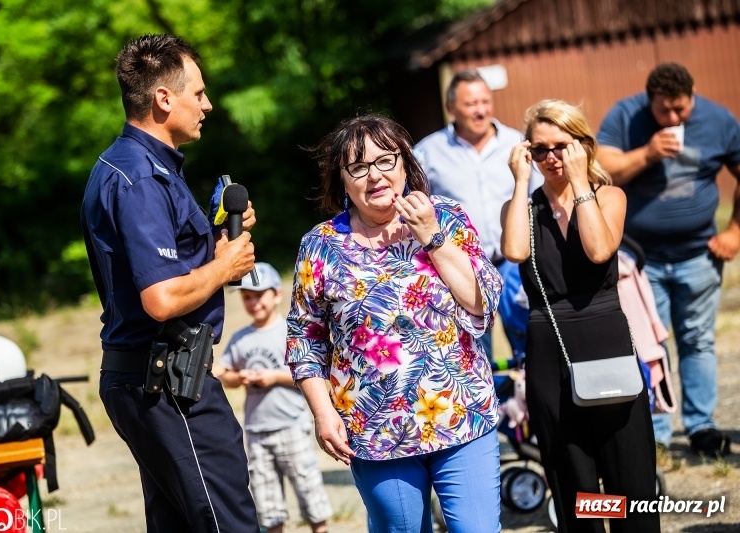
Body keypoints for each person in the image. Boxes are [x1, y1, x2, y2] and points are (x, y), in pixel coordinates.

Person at [286, 113, 503, 533]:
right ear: (342, 180)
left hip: (463, 415)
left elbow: (482, 302)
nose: (375, 176)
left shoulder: (448, 217)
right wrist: (322, 412)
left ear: (405, 163)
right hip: (375, 430)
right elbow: (304, 338)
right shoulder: (320, 245)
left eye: (386, 161)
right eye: (358, 167)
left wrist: (431, 235)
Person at [80, 34, 259, 532]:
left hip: (153, 380)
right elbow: (160, 299)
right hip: (167, 384)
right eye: (198, 93)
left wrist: (217, 245)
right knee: (229, 524)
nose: (207, 105)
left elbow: (168, 269)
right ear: (164, 98)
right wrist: (225, 267)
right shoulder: (141, 178)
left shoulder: (132, 165)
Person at [501, 99, 660, 533]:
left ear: (582, 145)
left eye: (561, 146)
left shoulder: (609, 196)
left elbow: (599, 250)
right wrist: (520, 181)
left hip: (604, 335)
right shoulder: (522, 207)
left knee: (629, 473)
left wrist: (578, 181)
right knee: (573, 475)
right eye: (539, 149)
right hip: (548, 343)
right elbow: (514, 251)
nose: (551, 157)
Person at [596, 62, 740, 457]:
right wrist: (648, 152)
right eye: (665, 110)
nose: (674, 118)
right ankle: (654, 432)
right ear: (650, 101)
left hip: (699, 254)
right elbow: (602, 170)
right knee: (646, 344)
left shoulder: (719, 120)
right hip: (640, 260)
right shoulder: (626, 116)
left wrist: (734, 231)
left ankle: (701, 426)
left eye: (682, 108)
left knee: (697, 340)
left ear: (693, 96)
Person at [414, 70, 543, 360]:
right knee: (473, 354)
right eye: (471, 104)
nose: (481, 110)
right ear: (451, 107)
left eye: (485, 101)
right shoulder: (427, 153)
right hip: (461, 267)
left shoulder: (517, 144)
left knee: (531, 349)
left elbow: (538, 198)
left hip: (514, 266)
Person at [215, 262, 332, 533]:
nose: (253, 302)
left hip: (291, 425)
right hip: (257, 431)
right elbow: (227, 375)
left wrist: (273, 377)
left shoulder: (288, 333)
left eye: (259, 295)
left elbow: (308, 374)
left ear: (277, 294)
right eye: (247, 297)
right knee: (267, 502)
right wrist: (239, 377)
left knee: (308, 489)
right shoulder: (240, 338)